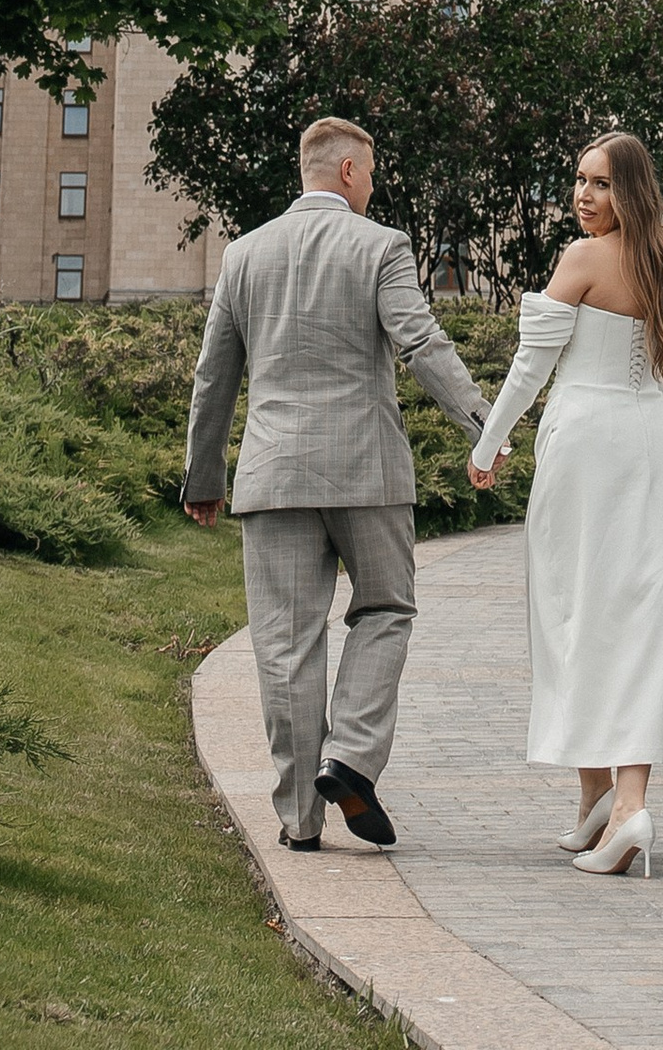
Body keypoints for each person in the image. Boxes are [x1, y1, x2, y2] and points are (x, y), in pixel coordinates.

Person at [182, 113, 487, 855]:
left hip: (273, 473)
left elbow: (213, 376)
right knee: (385, 607)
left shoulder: (244, 255)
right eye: (373, 173)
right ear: (349, 171)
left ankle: (298, 820)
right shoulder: (381, 245)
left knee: (284, 643)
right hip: (368, 472)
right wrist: (485, 420)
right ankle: (348, 754)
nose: (374, 185)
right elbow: (420, 341)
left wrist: (204, 474)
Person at [467, 128, 663, 881]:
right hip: (649, 452)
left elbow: (531, 366)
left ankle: (620, 810)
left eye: (599, 183)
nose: (582, 195)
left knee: (576, 612)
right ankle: (608, 804)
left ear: (628, 192)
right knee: (634, 619)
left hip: (587, 446)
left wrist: (489, 443)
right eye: (578, 179)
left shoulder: (583, 259)